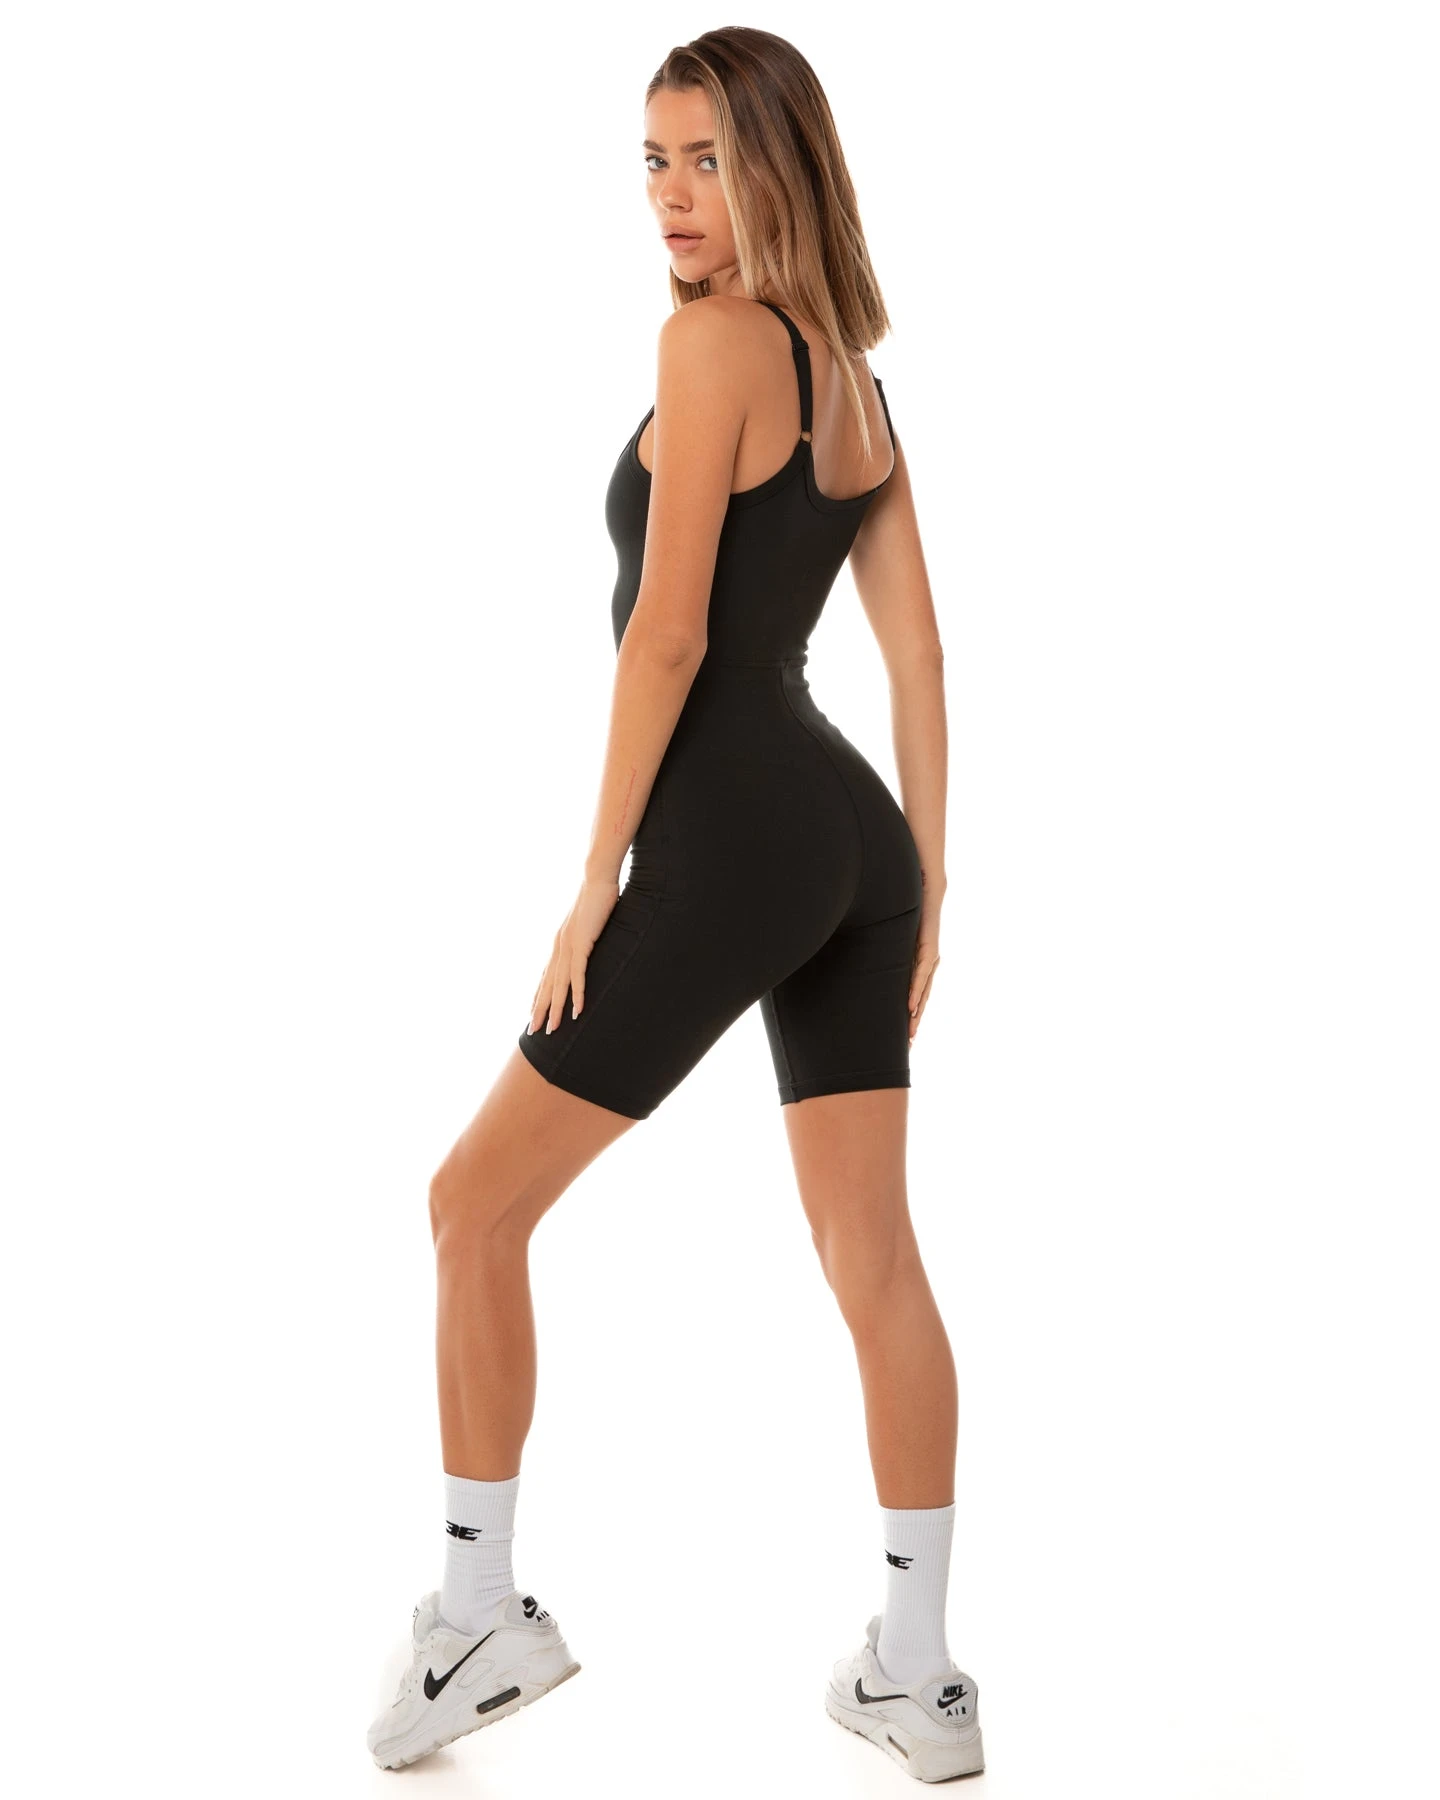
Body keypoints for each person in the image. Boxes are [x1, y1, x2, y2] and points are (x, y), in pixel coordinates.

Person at [368, 26, 983, 1784]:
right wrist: (930, 878)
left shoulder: (712, 346)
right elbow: (918, 655)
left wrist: (598, 879)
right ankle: (920, 1671)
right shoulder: (855, 383)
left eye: (708, 158)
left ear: (782, 164)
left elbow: (671, 634)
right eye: (651, 159)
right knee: (874, 1257)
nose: (672, 196)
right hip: (853, 844)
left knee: (471, 1207)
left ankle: (477, 1615)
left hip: (737, 839)